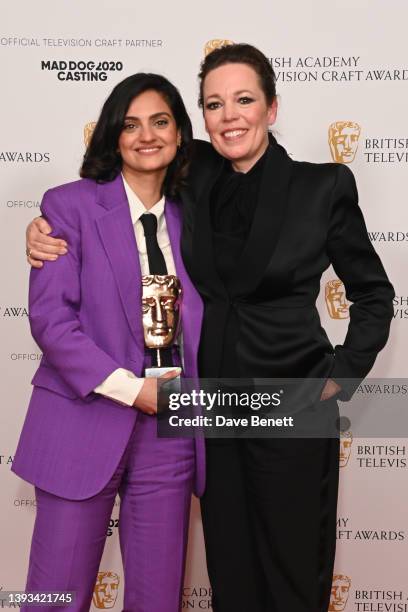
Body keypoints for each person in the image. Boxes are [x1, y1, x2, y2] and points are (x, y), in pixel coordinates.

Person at [26, 44, 394, 612]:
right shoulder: (171, 184)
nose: (230, 116)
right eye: (214, 104)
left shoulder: (300, 187)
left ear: (272, 107)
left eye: (244, 100)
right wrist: (41, 231)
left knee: (273, 579)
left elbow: (373, 293)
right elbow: (58, 308)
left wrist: (338, 379)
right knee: (212, 579)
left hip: (265, 414)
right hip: (180, 418)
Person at [14, 73, 205, 612]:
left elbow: (246, 144)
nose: (146, 136)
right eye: (130, 124)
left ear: (180, 133)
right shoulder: (68, 206)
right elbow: (52, 323)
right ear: (112, 137)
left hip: (171, 432)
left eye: (161, 122)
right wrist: (134, 391)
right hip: (83, 419)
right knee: (55, 597)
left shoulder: (200, 214)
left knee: (157, 597)